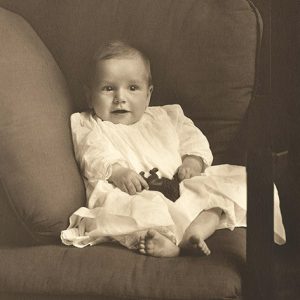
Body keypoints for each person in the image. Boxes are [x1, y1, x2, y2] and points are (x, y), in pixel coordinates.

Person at [61, 40, 286, 257]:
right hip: (132, 193)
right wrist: (118, 171)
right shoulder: (88, 123)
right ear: (89, 96)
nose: (120, 98)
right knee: (134, 212)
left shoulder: (167, 116)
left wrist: (192, 161)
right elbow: (91, 152)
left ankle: (195, 233)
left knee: (230, 190)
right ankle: (167, 243)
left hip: (181, 185)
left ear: (148, 94)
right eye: (108, 88)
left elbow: (192, 138)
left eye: (132, 88)